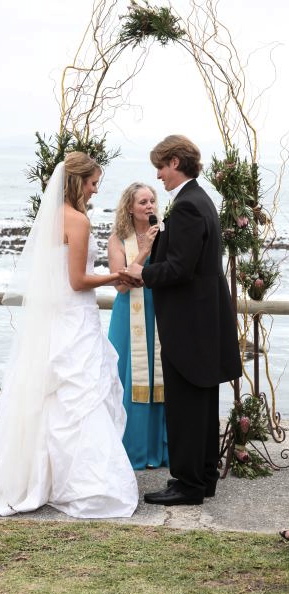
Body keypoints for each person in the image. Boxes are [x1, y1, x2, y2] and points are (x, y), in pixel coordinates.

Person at [0, 151, 138, 519]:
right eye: (93, 183)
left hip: (55, 317)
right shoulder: (78, 221)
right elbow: (78, 281)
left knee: (55, 400)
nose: (95, 191)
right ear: (78, 181)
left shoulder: (52, 218)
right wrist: (118, 276)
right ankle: (86, 485)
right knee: (83, 397)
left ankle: (43, 479)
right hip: (75, 316)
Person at [122, 135, 242, 506]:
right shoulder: (201, 199)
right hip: (205, 319)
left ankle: (187, 484)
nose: (158, 175)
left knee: (187, 405)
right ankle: (203, 479)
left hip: (189, 323)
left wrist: (142, 273)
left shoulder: (189, 205)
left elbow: (180, 268)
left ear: (175, 162)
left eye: (160, 166)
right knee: (203, 405)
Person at [108, 183, 169, 469]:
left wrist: (142, 272)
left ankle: (161, 449)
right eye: (143, 202)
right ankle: (132, 449)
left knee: (164, 375)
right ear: (130, 208)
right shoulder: (118, 239)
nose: (149, 206)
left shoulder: (166, 235)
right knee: (126, 378)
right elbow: (121, 285)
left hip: (159, 310)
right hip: (129, 314)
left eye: (152, 200)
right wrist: (143, 252)